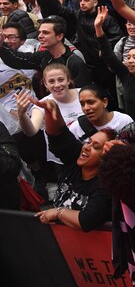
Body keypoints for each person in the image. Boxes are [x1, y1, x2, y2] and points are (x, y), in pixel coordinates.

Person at [32, 97, 113, 231]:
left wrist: (58, 212)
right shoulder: (75, 161)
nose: (86, 147)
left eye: (96, 146)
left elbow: (86, 220)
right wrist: (52, 108)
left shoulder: (105, 186)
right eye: (88, 141)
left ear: (105, 158)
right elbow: (58, 135)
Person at [0, 15, 92, 89]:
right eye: (39, 32)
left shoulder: (74, 61)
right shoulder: (44, 56)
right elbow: (16, 60)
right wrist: (1, 44)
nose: (40, 36)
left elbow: (84, 92)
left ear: (59, 36)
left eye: (45, 33)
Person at [69, 84, 133, 143]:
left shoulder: (124, 121)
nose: (86, 108)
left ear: (105, 102)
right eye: (82, 104)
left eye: (91, 102)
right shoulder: (75, 128)